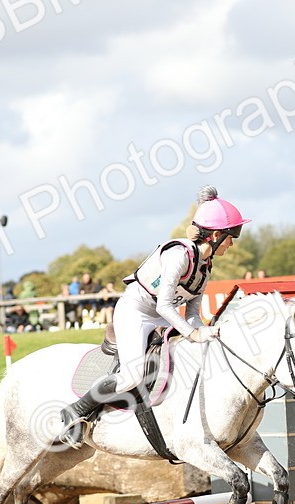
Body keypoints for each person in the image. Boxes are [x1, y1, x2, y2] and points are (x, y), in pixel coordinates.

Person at [58, 184, 249, 448]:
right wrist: (193, 333)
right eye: (231, 236)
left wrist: (204, 333)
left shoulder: (205, 267)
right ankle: (75, 411)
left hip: (162, 316)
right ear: (216, 235)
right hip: (136, 311)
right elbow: (165, 306)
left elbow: (192, 315)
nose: (232, 244)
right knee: (132, 376)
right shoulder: (179, 256)